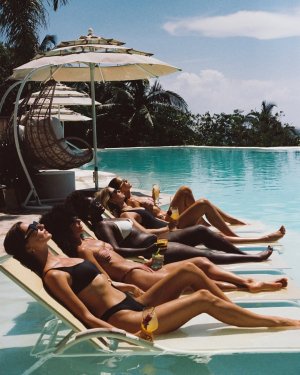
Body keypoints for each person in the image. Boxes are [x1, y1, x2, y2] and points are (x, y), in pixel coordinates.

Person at [4, 221, 300, 339]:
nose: (39, 225)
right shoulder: (53, 275)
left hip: (137, 302)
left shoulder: (61, 258)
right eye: (32, 227)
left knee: (190, 270)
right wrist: (129, 340)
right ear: (29, 246)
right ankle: (276, 322)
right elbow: (84, 316)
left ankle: (240, 314)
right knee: (202, 299)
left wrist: (121, 285)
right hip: (131, 321)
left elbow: (96, 284)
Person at [40, 204, 288, 294]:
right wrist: (126, 287)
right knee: (196, 267)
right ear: (66, 227)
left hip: (146, 265)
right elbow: (101, 277)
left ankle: (247, 282)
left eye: (76, 218)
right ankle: (247, 283)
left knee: (201, 261)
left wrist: (154, 251)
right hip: (142, 270)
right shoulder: (84, 249)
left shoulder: (92, 238)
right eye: (72, 221)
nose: (77, 221)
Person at [65, 190, 276, 264]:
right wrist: (147, 251)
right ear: (88, 212)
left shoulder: (108, 219)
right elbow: (117, 250)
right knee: (203, 255)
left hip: (158, 240)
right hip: (155, 247)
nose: (97, 202)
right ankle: (252, 258)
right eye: (92, 203)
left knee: (202, 231)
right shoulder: (102, 227)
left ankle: (240, 253)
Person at [97, 187, 286, 245]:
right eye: (115, 192)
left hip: (171, 223)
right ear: (112, 200)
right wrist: (167, 228)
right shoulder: (125, 214)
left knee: (186, 192)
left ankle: (209, 221)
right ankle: (240, 237)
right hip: (172, 229)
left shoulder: (131, 204)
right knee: (202, 203)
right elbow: (144, 233)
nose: (119, 191)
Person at [109, 177, 246, 227]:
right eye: (123, 182)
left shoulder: (135, 198)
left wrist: (153, 199)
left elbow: (151, 210)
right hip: (169, 221)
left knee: (198, 201)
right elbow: (146, 217)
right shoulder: (131, 202)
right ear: (120, 188)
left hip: (169, 215)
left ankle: (226, 220)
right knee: (184, 191)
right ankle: (207, 221)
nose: (127, 181)